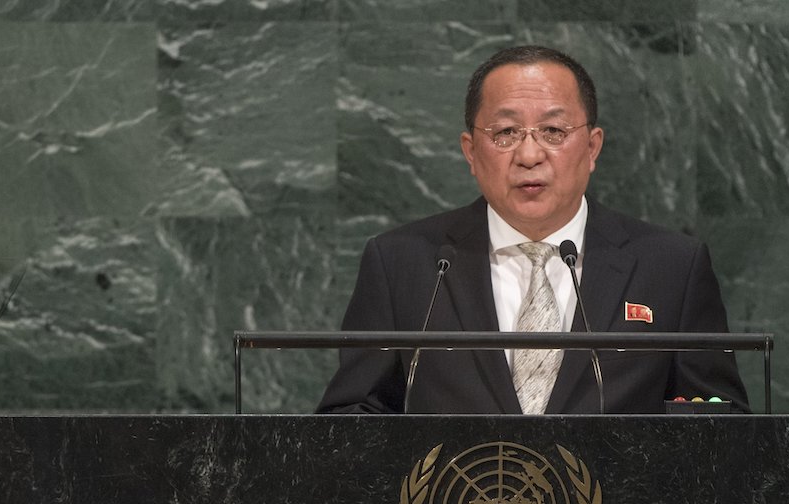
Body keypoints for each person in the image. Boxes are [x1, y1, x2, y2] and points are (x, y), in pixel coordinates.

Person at [316, 45, 748, 414]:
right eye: (505, 132)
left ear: (593, 146)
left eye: (553, 131)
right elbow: (354, 419)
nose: (528, 154)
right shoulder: (402, 263)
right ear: (470, 150)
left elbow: (719, 426)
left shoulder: (672, 267)